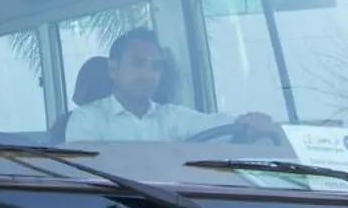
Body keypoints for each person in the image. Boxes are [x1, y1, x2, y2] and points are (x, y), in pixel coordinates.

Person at [66, 26, 279, 145]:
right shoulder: (87, 119)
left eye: (156, 66)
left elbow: (210, 124)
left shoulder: (171, 117)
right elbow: (87, 180)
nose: (148, 73)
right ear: (113, 69)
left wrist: (246, 123)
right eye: (137, 63)